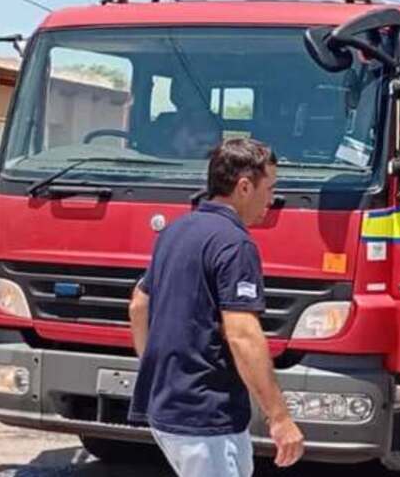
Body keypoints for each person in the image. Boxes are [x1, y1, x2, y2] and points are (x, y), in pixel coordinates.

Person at [128, 137, 303, 477]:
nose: (272, 199)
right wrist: (279, 417)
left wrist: (161, 373)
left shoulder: (175, 231)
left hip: (170, 407)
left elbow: (138, 305)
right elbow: (242, 335)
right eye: (269, 188)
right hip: (205, 414)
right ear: (243, 187)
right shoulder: (235, 244)